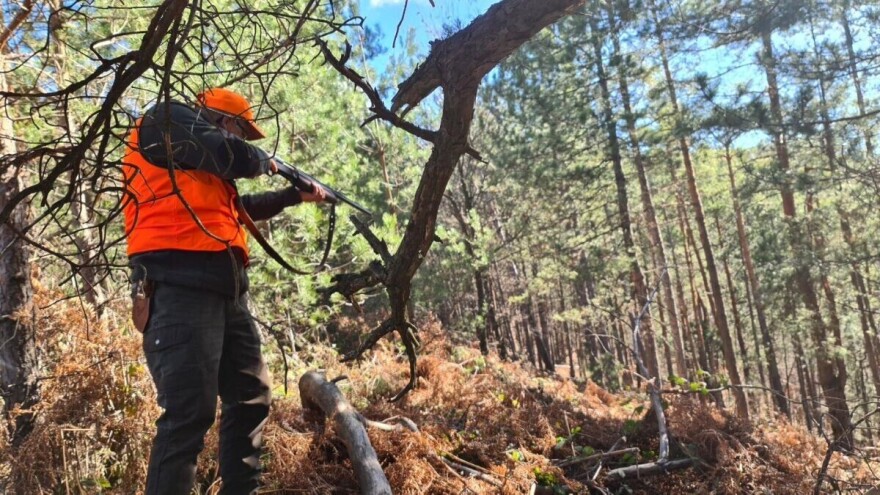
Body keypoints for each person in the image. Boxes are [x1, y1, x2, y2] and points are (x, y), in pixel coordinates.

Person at [122, 87, 325, 495]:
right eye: (239, 131)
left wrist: (291, 194)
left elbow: (235, 208)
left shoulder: (202, 165)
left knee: (252, 396)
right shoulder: (167, 120)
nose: (241, 141)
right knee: (188, 415)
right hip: (178, 285)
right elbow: (228, 154)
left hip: (227, 292)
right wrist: (269, 164)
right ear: (220, 119)